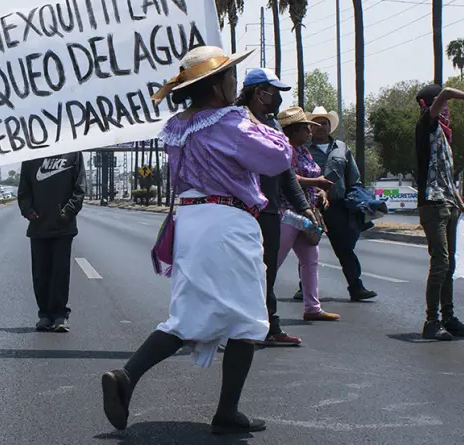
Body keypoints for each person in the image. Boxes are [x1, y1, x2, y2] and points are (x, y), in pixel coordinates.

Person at [101, 46, 293, 435]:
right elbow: (278, 159)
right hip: (228, 220)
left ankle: (128, 375)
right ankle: (227, 412)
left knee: (186, 314)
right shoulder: (231, 122)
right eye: (230, 77)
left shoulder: (178, 126)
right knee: (247, 317)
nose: (235, 83)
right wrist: (260, 120)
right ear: (219, 84)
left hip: (190, 220)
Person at [236, 68, 315, 347]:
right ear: (260, 93)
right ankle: (233, 329)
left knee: (266, 272)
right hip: (240, 210)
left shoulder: (272, 126)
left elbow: (286, 172)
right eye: (275, 93)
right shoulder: (235, 122)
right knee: (238, 272)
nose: (278, 99)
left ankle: (269, 327)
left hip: (268, 212)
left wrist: (304, 207)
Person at [415, 84, 464, 341]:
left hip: (448, 203)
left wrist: (460, 201)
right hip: (432, 205)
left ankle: (449, 317)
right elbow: (445, 91)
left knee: (450, 264)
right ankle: (431, 321)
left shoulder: (443, 136)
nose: (446, 108)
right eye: (440, 103)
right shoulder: (426, 123)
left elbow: (446, 175)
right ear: (429, 104)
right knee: (440, 262)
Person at [306, 107, 377, 302]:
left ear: (330, 126)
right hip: (312, 206)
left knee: (345, 247)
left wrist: (358, 199)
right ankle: (304, 287)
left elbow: (353, 178)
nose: (321, 127)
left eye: (324, 123)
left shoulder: (342, 148)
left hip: (337, 206)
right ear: (310, 128)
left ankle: (356, 287)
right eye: (316, 123)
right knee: (308, 247)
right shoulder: (303, 150)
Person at [277, 107, 340, 321]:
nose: (309, 133)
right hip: (287, 213)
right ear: (292, 131)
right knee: (272, 262)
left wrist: (321, 190)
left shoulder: (304, 151)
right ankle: (255, 309)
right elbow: (288, 178)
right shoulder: (284, 149)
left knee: (310, 260)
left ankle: (312, 308)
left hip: (307, 213)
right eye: (305, 129)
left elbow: (312, 173)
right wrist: (317, 182)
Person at [17, 152, 86, 333]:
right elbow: (24, 191)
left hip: (63, 227)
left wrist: (67, 212)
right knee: (40, 274)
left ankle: (59, 316)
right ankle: (45, 315)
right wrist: (29, 211)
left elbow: (79, 188)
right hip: (39, 227)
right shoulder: (31, 155)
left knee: (60, 272)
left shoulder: (74, 153)